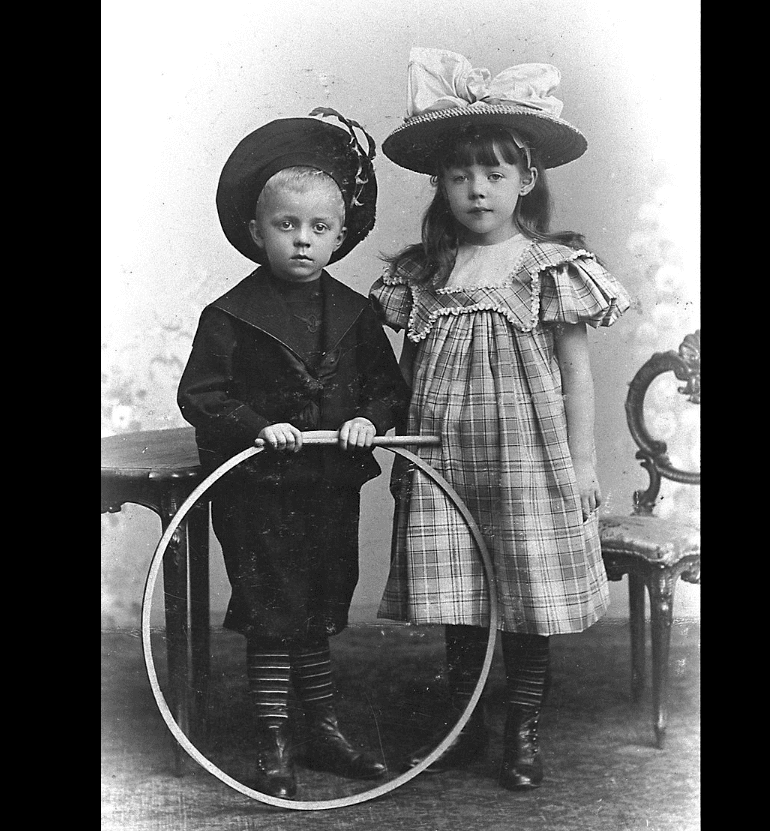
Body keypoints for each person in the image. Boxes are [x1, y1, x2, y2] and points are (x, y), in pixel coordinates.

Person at [370, 48, 632, 791]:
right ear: (438, 185)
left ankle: (521, 729)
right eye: (460, 175)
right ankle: (463, 723)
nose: (476, 190)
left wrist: (582, 466)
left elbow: (577, 375)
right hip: (447, 455)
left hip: (527, 455)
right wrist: (406, 456)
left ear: (527, 179)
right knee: (460, 593)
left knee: (525, 595)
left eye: (493, 174)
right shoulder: (427, 272)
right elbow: (412, 371)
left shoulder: (548, 266)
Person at [177, 109, 410, 799]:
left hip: (328, 483)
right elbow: (202, 394)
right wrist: (254, 424)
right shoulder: (228, 315)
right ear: (256, 230)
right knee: (273, 612)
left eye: (318, 229)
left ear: (341, 236)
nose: (302, 241)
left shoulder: (358, 314)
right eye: (286, 226)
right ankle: (275, 734)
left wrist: (370, 418)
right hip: (260, 489)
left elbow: (389, 389)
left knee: (317, 607)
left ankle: (323, 725)